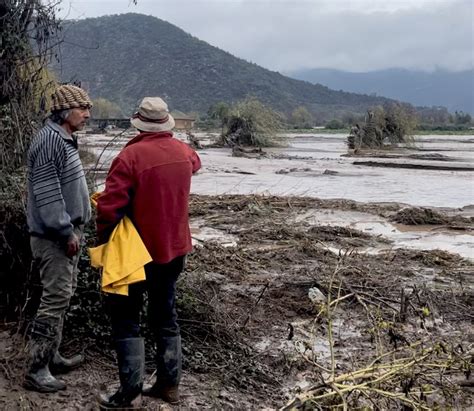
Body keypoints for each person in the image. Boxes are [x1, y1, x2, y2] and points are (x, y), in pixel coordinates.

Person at [96, 97, 201, 408]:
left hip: (135, 253)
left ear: (138, 122)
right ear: (166, 122)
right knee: (165, 315)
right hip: (174, 249)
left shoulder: (129, 157)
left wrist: (105, 240)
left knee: (127, 318)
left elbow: (108, 207)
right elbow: (195, 162)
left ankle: (128, 393)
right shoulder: (184, 152)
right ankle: (170, 387)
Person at [24, 84, 93, 392]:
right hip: (54, 237)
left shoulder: (63, 138)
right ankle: (36, 369)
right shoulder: (50, 141)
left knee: (62, 295)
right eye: (83, 109)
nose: (87, 115)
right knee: (54, 300)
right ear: (65, 112)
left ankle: (53, 356)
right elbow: (49, 194)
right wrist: (66, 231)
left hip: (65, 234)